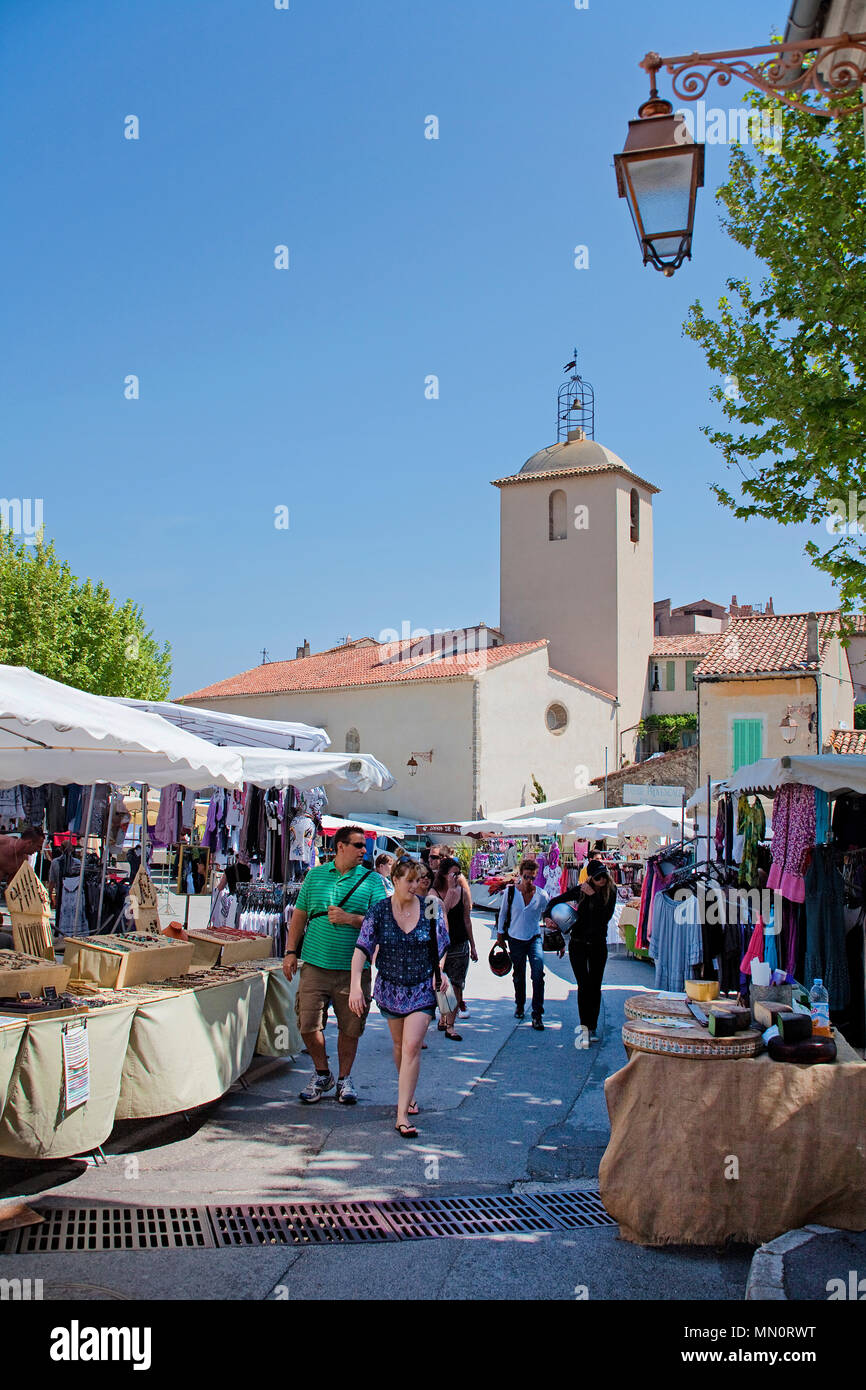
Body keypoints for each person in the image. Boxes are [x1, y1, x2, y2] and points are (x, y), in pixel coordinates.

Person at [282, 824, 387, 1104]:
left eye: (364, 846)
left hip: (353, 970)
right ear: (340, 846)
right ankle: (322, 1073)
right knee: (307, 1024)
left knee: (350, 1028)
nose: (364, 851)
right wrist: (291, 951)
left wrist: (349, 919)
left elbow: (381, 923)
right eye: (358, 845)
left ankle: (344, 1079)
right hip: (315, 963)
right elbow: (300, 917)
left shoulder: (372, 881)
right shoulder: (315, 876)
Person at [349, 858, 449, 1138]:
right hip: (391, 987)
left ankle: (402, 1114)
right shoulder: (379, 911)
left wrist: (437, 970)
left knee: (412, 1045)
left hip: (421, 988)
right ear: (395, 880)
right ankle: (409, 1095)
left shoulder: (429, 907)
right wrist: (356, 985)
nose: (415, 886)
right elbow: (362, 948)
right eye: (410, 881)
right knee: (398, 1045)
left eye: (418, 881)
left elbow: (441, 945)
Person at [546, 862, 617, 1048]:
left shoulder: (611, 891)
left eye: (604, 876)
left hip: (598, 945)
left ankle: (592, 1026)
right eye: (597, 877)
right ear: (590, 878)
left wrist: (593, 896)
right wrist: (547, 916)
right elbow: (554, 901)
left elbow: (605, 917)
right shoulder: (581, 890)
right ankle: (584, 1028)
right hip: (578, 944)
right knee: (583, 985)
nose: (602, 880)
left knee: (595, 985)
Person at [496, 858, 549, 1030]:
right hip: (515, 938)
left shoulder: (542, 895)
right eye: (526, 877)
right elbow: (503, 913)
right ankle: (519, 1004)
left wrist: (557, 937)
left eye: (532, 877)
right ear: (520, 875)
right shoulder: (511, 892)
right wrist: (500, 936)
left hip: (534, 937)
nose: (529, 881)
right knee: (519, 974)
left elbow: (548, 916)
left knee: (538, 974)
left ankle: (537, 1014)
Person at [431, 856, 477, 1037]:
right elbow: (437, 918)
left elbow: (467, 919)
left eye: (459, 874)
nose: (457, 877)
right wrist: (449, 893)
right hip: (441, 947)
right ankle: (443, 1016)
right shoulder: (432, 894)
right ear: (443, 874)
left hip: (459, 943)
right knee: (441, 985)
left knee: (457, 985)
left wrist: (473, 945)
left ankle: (450, 1024)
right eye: (453, 874)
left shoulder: (462, 891)